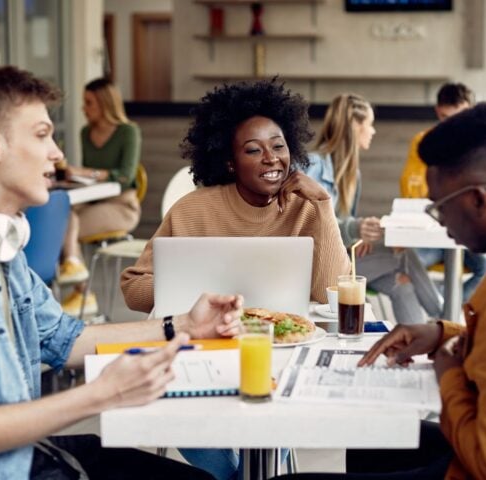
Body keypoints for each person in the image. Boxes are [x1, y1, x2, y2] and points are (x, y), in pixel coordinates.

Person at [0, 65, 244, 479]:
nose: (57, 154)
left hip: (24, 454)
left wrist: (183, 325)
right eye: (41, 135)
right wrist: (102, 395)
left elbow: (61, 339)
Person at [276, 102, 486, 480]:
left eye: (439, 209)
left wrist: (449, 376)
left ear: (479, 198)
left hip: (485, 468)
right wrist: (445, 333)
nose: (441, 224)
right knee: (370, 442)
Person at [121, 79, 351, 480]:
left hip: (280, 352)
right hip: (203, 349)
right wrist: (197, 299)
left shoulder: (307, 208)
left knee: (278, 406)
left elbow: (331, 292)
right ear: (229, 162)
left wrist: (325, 206)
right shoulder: (193, 209)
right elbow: (134, 286)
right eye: (252, 149)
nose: (270, 158)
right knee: (179, 409)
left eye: (278, 146)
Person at [305, 93, 442, 324]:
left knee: (402, 285)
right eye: (369, 124)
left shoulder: (352, 176)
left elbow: (345, 226)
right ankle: (446, 320)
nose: (373, 131)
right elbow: (308, 223)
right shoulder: (313, 166)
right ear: (355, 126)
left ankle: (409, 351)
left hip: (346, 260)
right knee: (404, 255)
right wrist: (355, 228)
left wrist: (360, 235)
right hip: (319, 269)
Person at [400, 82, 486, 302]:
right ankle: (441, 310)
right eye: (445, 117)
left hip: (467, 239)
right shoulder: (424, 142)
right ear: (437, 112)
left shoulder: (483, 146)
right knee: (403, 267)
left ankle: (445, 307)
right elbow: (411, 189)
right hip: (431, 235)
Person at [59, 77, 142, 316]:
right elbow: (93, 178)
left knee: (64, 228)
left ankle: (82, 292)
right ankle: (80, 289)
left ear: (105, 104)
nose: (84, 109)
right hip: (94, 201)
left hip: (122, 206)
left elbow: (125, 176)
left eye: (89, 103)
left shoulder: (128, 132)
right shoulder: (86, 133)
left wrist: (84, 172)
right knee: (62, 217)